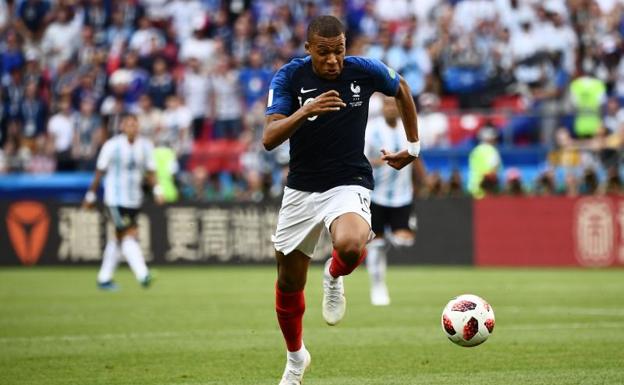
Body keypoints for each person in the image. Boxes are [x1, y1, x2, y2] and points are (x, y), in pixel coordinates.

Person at [263, 15, 421, 385]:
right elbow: (269, 138)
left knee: (350, 244)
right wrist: (305, 110)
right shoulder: (290, 77)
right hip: (301, 188)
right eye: (323, 53)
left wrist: (413, 146)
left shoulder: (363, 71)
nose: (333, 60)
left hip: (348, 180)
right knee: (288, 283)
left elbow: (402, 89)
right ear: (308, 50)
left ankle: (333, 275)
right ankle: (296, 357)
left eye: (339, 51)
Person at [82, 114, 163, 290]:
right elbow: (99, 171)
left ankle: (104, 279)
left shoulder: (145, 146)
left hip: (134, 199)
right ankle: (143, 275)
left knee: (118, 239)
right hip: (115, 199)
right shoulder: (112, 146)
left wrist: (158, 190)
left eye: (135, 124)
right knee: (129, 234)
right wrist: (90, 196)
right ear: (122, 127)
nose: (132, 128)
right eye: (128, 124)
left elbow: (151, 172)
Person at [364, 96, 424, 306]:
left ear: (400, 107)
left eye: (394, 104)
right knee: (376, 245)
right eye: (387, 104)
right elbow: (359, 159)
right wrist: (379, 162)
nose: (390, 108)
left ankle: (392, 238)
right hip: (376, 195)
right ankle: (377, 287)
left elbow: (417, 155)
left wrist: (422, 180)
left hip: (402, 195)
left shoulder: (408, 128)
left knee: (404, 241)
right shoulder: (371, 130)